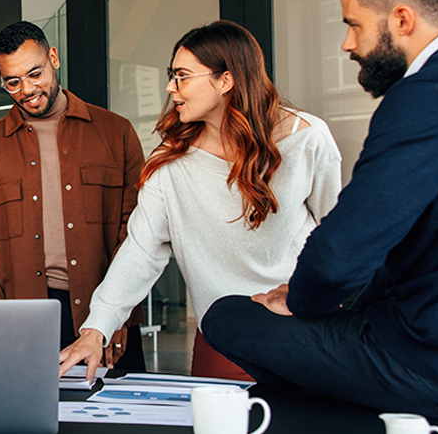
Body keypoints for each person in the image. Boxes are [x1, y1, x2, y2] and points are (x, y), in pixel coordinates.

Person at [204, 0, 438, 418]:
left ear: (402, 19)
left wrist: (300, 301)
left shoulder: (428, 95)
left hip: (431, 362)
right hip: (436, 336)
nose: (348, 44)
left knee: (227, 316)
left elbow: (343, 251)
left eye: (354, 25)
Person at [58, 21, 342, 381]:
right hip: (223, 340)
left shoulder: (308, 138)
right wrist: (96, 328)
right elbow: (141, 252)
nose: (170, 87)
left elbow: (336, 236)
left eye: (182, 76)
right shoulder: (170, 162)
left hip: (304, 331)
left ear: (226, 81)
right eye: (171, 76)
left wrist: (318, 298)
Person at [0, 21, 147, 370]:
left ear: (54, 59)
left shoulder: (116, 133)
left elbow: (137, 234)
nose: (27, 90)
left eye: (35, 74)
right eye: (13, 82)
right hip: (21, 322)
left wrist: (118, 314)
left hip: (105, 315)